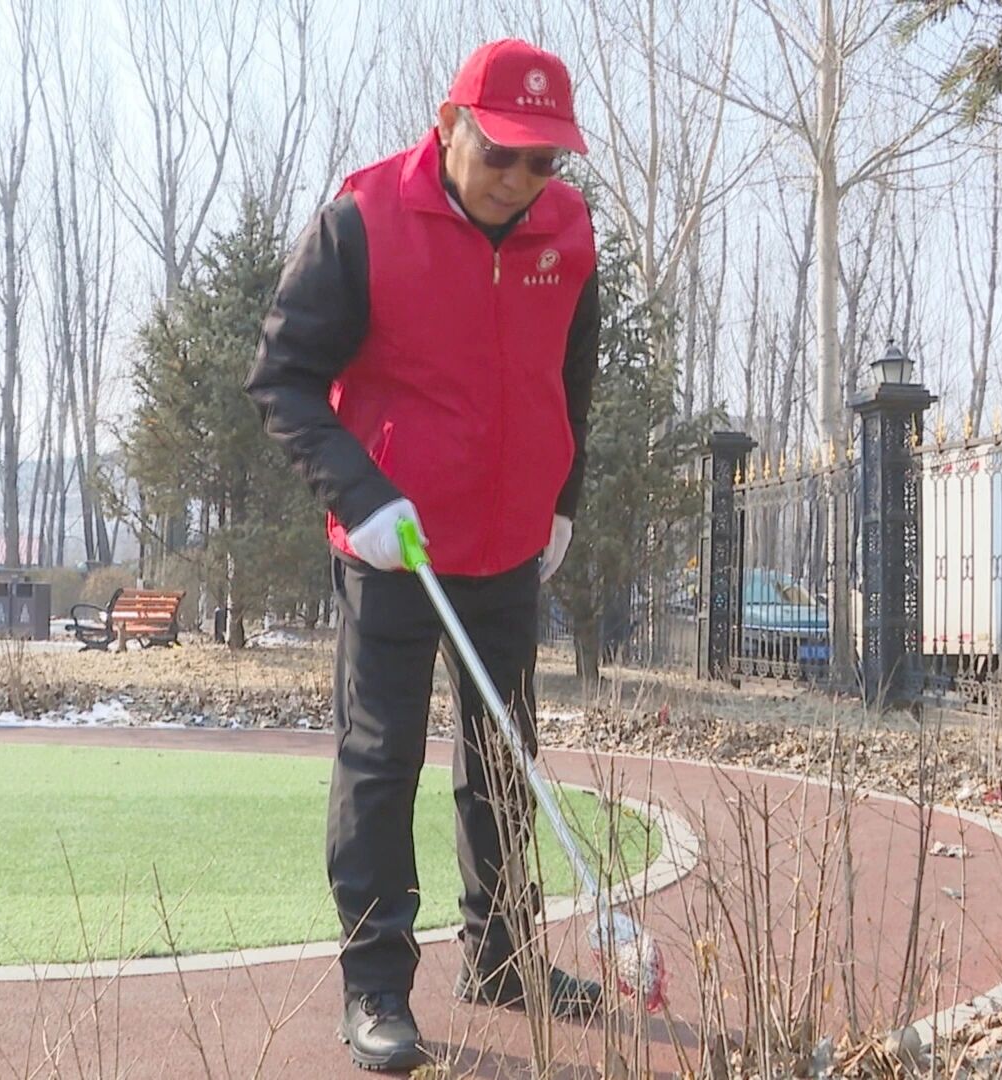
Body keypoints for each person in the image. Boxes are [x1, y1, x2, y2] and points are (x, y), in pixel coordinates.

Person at [246, 38, 602, 1072]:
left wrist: (560, 503)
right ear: (449, 125)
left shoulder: (567, 233)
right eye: (501, 153)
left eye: (543, 160)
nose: (521, 180)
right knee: (380, 759)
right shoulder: (361, 223)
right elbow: (281, 378)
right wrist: (358, 497)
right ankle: (376, 987)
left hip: (508, 547)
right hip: (393, 548)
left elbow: (571, 377)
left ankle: (503, 957)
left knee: (503, 756)